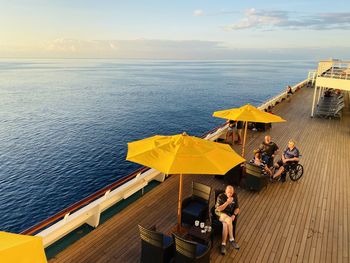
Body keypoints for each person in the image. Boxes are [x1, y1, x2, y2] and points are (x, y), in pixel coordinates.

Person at [215, 185, 240, 255]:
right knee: (229, 219)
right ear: (225, 191)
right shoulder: (220, 196)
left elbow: (237, 208)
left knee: (225, 224)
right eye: (228, 192)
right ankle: (232, 239)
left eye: (231, 192)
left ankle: (223, 244)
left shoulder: (234, 197)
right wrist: (227, 203)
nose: (230, 194)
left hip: (228, 214)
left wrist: (234, 215)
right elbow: (218, 209)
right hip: (220, 213)